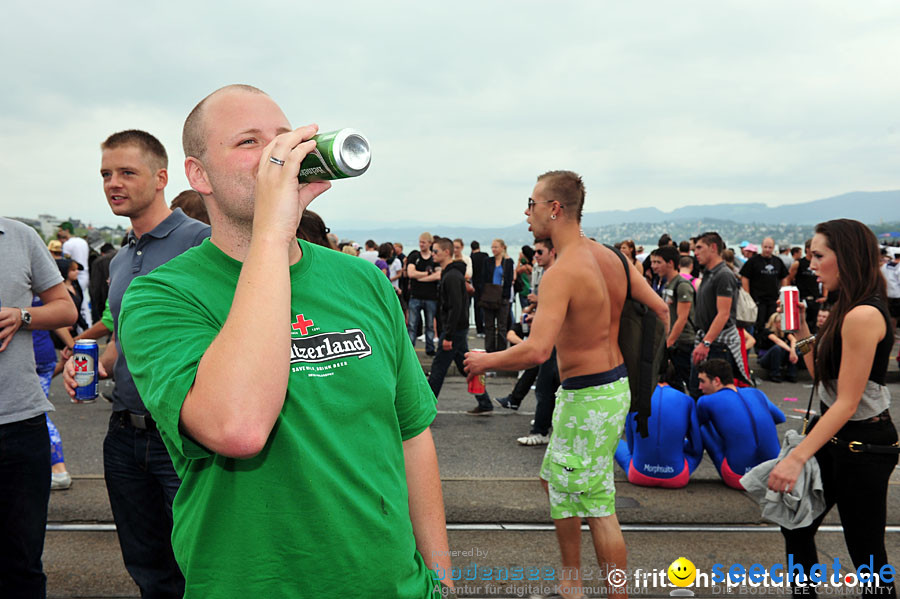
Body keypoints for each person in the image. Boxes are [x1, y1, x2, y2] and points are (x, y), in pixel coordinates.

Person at [104, 84, 451, 597]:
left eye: (283, 139)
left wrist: (441, 580)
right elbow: (238, 427)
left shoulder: (365, 282)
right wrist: (271, 232)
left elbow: (412, 436)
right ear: (199, 175)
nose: (276, 155)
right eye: (248, 143)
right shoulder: (161, 297)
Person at [465, 171, 667, 599]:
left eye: (531, 203)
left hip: (588, 396)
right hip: (613, 388)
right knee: (562, 483)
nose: (527, 212)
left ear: (554, 209)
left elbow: (537, 351)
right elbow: (659, 310)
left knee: (596, 504)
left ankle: (595, 590)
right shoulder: (611, 257)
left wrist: (484, 360)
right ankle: (571, 582)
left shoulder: (562, 272)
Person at [64, 129, 210, 597]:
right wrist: (93, 363)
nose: (113, 183)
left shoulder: (201, 242)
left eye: (127, 172)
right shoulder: (123, 259)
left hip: (181, 435)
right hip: (123, 436)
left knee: (199, 567)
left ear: (162, 177)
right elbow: (123, 342)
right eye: (106, 174)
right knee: (147, 568)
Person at [768, 219, 897, 598]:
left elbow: (847, 401)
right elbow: (825, 379)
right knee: (796, 525)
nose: (811, 265)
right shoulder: (848, 307)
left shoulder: (863, 315)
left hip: (863, 444)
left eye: (818, 256)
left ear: (847, 257)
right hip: (838, 436)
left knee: (866, 552)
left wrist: (796, 458)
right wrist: (802, 330)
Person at [0, 216, 78, 596]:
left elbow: (65, 309)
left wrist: (22, 316)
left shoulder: (19, 236)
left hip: (19, 421)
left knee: (22, 564)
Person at [696, 359, 785, 490]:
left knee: (702, 427)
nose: (699, 387)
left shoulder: (706, 401)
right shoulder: (756, 392)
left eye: (702, 381)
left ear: (716, 381)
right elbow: (780, 417)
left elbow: (694, 427)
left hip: (740, 478)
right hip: (773, 475)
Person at [689, 231, 750, 399]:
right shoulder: (708, 273)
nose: (695, 252)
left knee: (713, 396)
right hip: (706, 340)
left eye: (700, 248)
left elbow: (723, 314)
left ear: (713, 247)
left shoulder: (723, 275)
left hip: (717, 345)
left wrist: (705, 343)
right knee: (696, 392)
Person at [614, 381, 703, 488]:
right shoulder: (687, 400)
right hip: (677, 477)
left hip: (639, 474)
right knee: (677, 442)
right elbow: (697, 448)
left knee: (615, 440)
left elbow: (632, 447)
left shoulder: (635, 398)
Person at [428, 237, 471, 401]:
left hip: (454, 329)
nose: (433, 254)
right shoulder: (450, 274)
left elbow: (456, 307)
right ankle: (484, 401)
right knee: (465, 366)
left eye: (436, 251)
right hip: (456, 328)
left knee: (438, 368)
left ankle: (427, 406)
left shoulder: (452, 276)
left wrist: (449, 335)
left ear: (446, 252)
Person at [656, 245, 695, 393]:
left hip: (683, 342)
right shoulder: (667, 284)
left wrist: (668, 343)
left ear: (670, 263)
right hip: (672, 342)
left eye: (659, 262)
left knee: (688, 381)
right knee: (674, 382)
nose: (655, 266)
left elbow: (682, 318)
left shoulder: (682, 285)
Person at [740, 236, 789, 344]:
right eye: (765, 247)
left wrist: (783, 292)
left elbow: (784, 277)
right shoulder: (753, 261)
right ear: (761, 247)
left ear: (773, 248)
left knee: (772, 324)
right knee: (759, 324)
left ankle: (770, 345)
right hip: (757, 299)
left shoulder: (777, 261)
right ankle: (758, 347)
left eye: (770, 247)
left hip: (773, 299)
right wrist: (747, 295)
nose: (767, 249)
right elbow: (744, 277)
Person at [407, 232, 441, 356]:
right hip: (415, 296)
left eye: (424, 242)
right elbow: (411, 273)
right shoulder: (414, 256)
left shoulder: (434, 258)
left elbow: (439, 275)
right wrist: (427, 274)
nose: (421, 244)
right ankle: (410, 349)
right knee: (412, 324)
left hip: (431, 297)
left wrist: (420, 276)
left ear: (429, 243)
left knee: (430, 325)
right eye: (420, 242)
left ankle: (430, 348)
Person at [480, 239, 514, 353]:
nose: (493, 249)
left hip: (502, 297)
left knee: (502, 327)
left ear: (502, 248)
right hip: (489, 296)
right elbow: (483, 277)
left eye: (496, 247)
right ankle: (489, 349)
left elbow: (509, 280)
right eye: (492, 247)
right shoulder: (488, 261)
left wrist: (504, 296)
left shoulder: (508, 262)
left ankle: (501, 350)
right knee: (489, 326)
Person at [57, 221, 92, 328]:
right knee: (84, 303)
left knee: (77, 304)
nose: (59, 232)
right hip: (85, 273)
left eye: (61, 229)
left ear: (66, 230)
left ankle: (81, 328)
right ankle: (87, 326)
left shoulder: (68, 244)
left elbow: (67, 261)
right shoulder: (83, 241)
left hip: (74, 274)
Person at [789, 239, 822, 333]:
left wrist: (824, 296)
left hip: (815, 297)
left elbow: (824, 280)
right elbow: (789, 278)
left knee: (814, 324)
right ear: (807, 249)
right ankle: (803, 346)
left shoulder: (818, 263)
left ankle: (811, 345)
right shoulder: (798, 263)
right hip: (802, 298)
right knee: (801, 323)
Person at [757, 311, 799, 383]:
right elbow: (777, 341)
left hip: (780, 359)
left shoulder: (785, 332)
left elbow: (793, 340)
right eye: (780, 322)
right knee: (777, 348)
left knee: (795, 347)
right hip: (765, 359)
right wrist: (791, 351)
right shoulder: (767, 332)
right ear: (774, 323)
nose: (782, 324)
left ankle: (791, 374)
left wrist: (793, 350)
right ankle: (774, 374)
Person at [470, 240, 488, 336]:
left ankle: (479, 329)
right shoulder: (485, 256)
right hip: (485, 285)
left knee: (477, 307)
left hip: (475, 285)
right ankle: (486, 327)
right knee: (486, 307)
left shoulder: (471, 257)